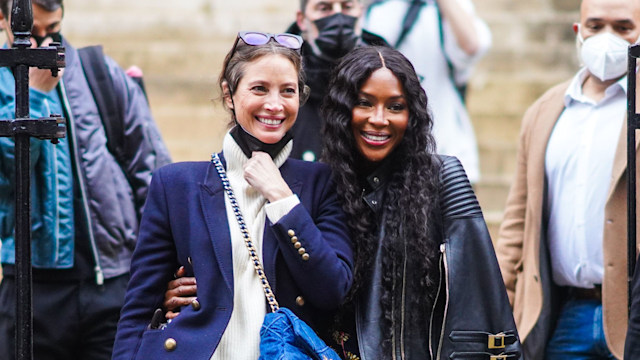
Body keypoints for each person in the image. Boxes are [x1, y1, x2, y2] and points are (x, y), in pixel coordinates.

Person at [164, 45, 521, 360]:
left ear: (411, 116)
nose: (378, 119)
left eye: (395, 106)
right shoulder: (319, 182)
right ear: (341, 110)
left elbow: (483, 305)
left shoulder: (441, 177)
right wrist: (193, 292)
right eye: (364, 103)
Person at [112, 31, 353, 360]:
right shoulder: (175, 184)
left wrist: (282, 199)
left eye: (288, 91)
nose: (274, 104)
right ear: (229, 94)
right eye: (259, 89)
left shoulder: (322, 182)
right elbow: (138, 309)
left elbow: (333, 290)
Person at [0, 1, 171, 360]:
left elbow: (151, 167)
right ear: (3, 20)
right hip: (33, 288)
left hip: (112, 283)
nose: (46, 45)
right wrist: (34, 95)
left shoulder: (96, 69)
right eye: (32, 35)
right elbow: (6, 179)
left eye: (54, 30)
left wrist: (158, 263)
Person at [494, 0, 640, 358]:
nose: (607, 38)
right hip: (567, 311)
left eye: (623, 28)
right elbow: (518, 219)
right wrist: (500, 304)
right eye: (595, 26)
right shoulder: (545, 111)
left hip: (634, 314)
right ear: (578, 31)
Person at [363, 0, 491, 183]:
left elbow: (472, 46)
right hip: (385, 154)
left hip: (445, 147)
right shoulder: (376, 9)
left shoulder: (442, 9)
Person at [286, 0, 387, 162]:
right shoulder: (282, 83)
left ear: (360, 13)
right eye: (324, 8)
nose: (338, 17)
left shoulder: (389, 77)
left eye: (347, 7)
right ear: (302, 19)